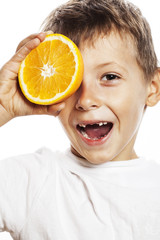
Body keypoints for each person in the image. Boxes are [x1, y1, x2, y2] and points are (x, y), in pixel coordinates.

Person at [0, 0, 160, 239]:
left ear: (152, 87)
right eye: (72, 83)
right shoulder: (31, 181)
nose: (85, 100)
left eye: (109, 76)